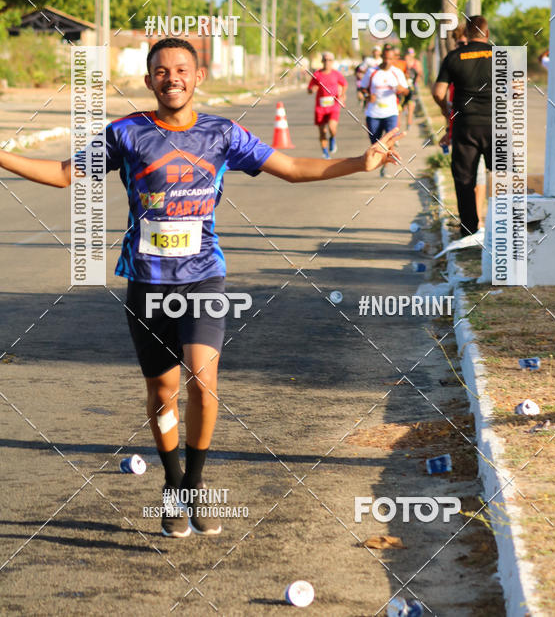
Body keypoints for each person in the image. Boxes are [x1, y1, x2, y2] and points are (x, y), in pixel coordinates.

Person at [0, 37, 400, 539]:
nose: (173, 78)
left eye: (182, 70)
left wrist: (358, 164)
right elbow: (63, 175)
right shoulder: (126, 133)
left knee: (204, 387)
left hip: (204, 276)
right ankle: (173, 486)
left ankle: (195, 483)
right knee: (162, 391)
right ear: (148, 81)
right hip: (146, 282)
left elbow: (293, 170)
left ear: (198, 76)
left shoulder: (222, 133)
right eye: (162, 71)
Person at [433, 15, 492, 236]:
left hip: (465, 125)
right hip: (497, 126)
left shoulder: (454, 57)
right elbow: (516, 89)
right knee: (502, 177)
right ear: (486, 33)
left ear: (466, 33)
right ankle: (504, 230)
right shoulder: (502, 56)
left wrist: (446, 110)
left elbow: (438, 92)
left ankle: (469, 229)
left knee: (465, 178)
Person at [359, 43, 408, 177]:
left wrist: (401, 89)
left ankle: (384, 168)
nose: (387, 61)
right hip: (373, 113)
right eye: (385, 58)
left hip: (391, 112)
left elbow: (406, 91)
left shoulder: (397, 72)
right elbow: (362, 88)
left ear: (394, 59)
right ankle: (379, 162)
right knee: (375, 143)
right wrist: (368, 96)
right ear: (381, 57)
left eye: (390, 59)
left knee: (389, 141)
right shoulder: (372, 71)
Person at [307, 52, 347, 157]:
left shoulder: (336, 74)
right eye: (325, 60)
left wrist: (342, 95)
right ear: (322, 61)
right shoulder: (317, 75)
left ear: (332, 62)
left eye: (329, 60)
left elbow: (344, 84)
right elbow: (309, 89)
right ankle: (325, 153)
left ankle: (332, 138)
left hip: (333, 106)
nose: (327, 62)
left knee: (332, 128)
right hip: (320, 107)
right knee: (322, 132)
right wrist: (312, 90)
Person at [401, 47, 423, 132]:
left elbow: (419, 74)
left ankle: (408, 125)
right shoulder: (402, 63)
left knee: (411, 107)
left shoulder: (416, 63)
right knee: (402, 107)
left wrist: (414, 82)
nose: (409, 56)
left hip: (413, 88)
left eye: (411, 54)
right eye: (408, 54)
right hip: (403, 88)